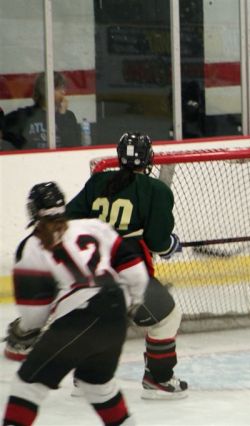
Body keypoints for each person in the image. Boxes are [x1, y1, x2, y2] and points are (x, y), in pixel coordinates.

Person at [3, 182, 147, 425]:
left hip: (79, 318)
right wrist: (135, 301)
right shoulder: (94, 226)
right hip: (116, 312)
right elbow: (135, 273)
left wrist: (26, 330)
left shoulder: (32, 246)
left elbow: (34, 312)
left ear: (32, 210)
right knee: (97, 386)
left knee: (27, 385)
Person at [64, 132, 188, 399]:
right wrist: (171, 245)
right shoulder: (156, 190)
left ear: (119, 157)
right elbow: (157, 241)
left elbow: (70, 221)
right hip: (127, 270)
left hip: (91, 271)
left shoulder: (98, 181)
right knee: (167, 318)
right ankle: (158, 378)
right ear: (149, 159)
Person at [2, 71, 81, 149]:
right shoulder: (24, 116)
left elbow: (72, 145)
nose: (63, 92)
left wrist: (62, 116)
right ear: (44, 90)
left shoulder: (68, 116)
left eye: (63, 88)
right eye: (58, 88)